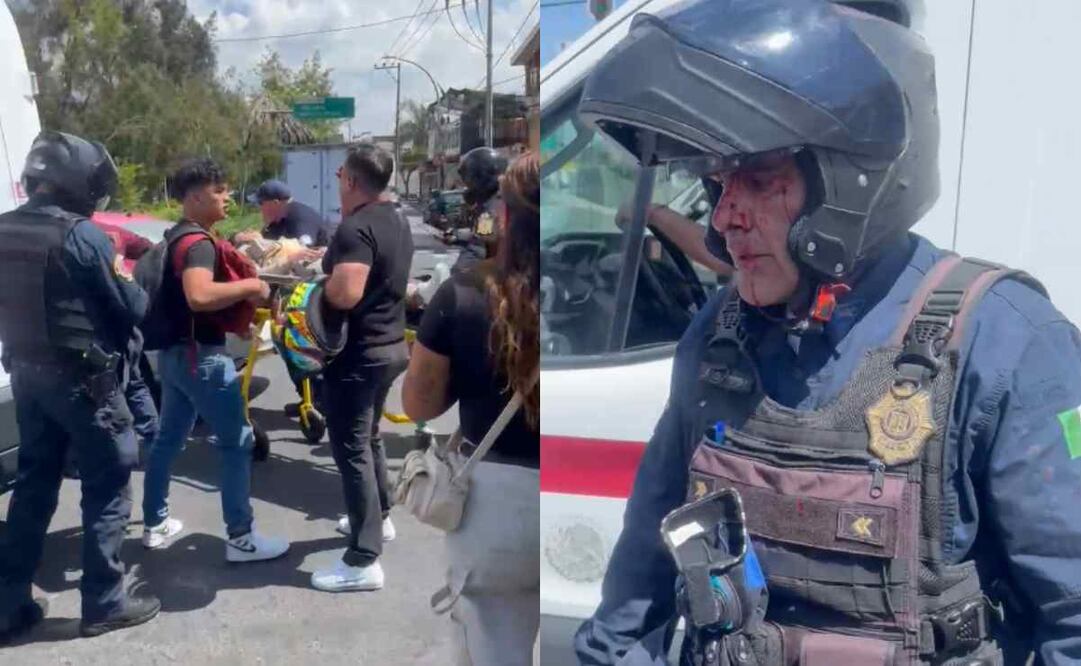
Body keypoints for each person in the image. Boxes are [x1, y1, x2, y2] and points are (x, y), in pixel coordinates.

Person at [572, 1, 1081, 664]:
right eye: (717, 183)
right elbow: (642, 569)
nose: (725, 215)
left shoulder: (1008, 344)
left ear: (848, 184)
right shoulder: (721, 333)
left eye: (758, 181)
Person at [0, 131, 160, 640]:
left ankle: (8, 602)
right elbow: (133, 307)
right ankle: (105, 602)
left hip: (26, 377)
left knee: (33, 485)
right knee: (109, 484)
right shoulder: (83, 235)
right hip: (85, 383)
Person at [402, 150, 540, 666]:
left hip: (496, 504)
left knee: (489, 645)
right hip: (585, 493)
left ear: (505, 215)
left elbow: (418, 402)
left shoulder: (462, 293)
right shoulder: (608, 284)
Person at [140, 158, 289, 563]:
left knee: (168, 439)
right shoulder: (199, 244)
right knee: (237, 442)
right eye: (219, 190)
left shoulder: (175, 237)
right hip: (200, 359)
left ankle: (154, 523)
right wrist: (252, 285)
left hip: (174, 358)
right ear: (194, 197)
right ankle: (241, 537)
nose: (227, 196)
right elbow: (199, 296)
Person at [311, 143, 413, 592]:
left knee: (350, 448)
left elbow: (346, 293)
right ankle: (381, 517)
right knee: (368, 438)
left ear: (352, 181)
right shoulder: (395, 218)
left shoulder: (355, 227)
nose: (338, 183)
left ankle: (363, 557)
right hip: (390, 347)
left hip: (359, 353)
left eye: (339, 177)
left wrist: (318, 291)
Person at [451, 146, 509, 274]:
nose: (467, 190)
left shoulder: (488, 213)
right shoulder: (505, 200)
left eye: (468, 183)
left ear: (479, 180)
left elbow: (478, 248)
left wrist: (456, 276)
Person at [235, 179, 331, 249]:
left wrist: (262, 241)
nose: (259, 208)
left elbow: (302, 252)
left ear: (275, 204)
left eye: (261, 203)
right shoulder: (276, 221)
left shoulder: (300, 218)